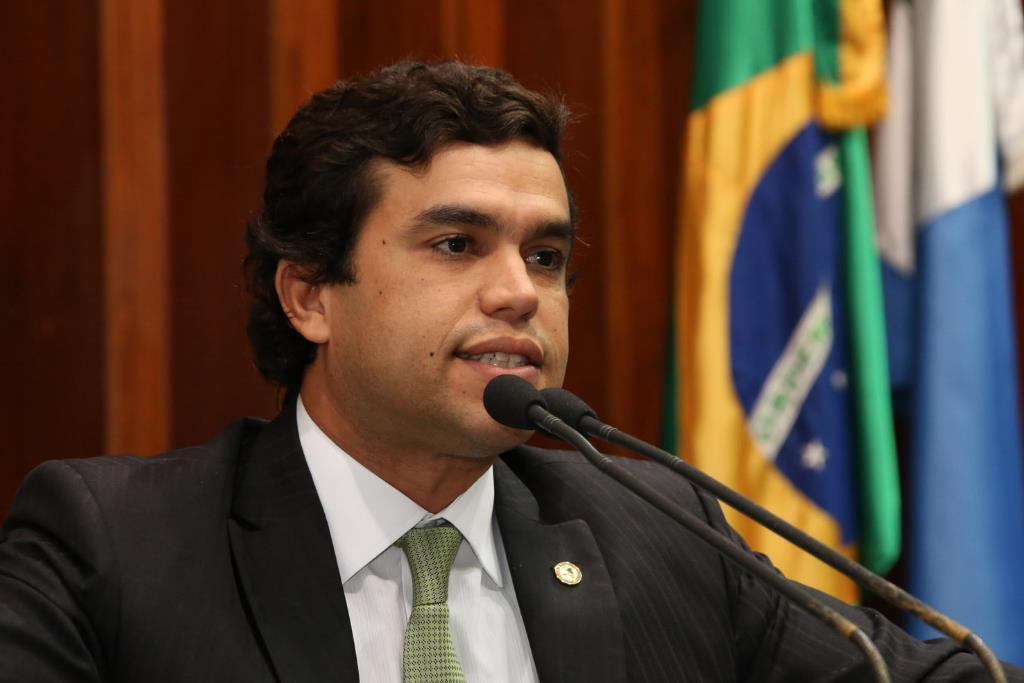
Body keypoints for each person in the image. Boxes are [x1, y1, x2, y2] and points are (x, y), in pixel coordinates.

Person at [0, 61, 1020, 683]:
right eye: (456, 244)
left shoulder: (659, 530)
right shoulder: (114, 548)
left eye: (545, 255)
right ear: (309, 294)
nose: (519, 292)